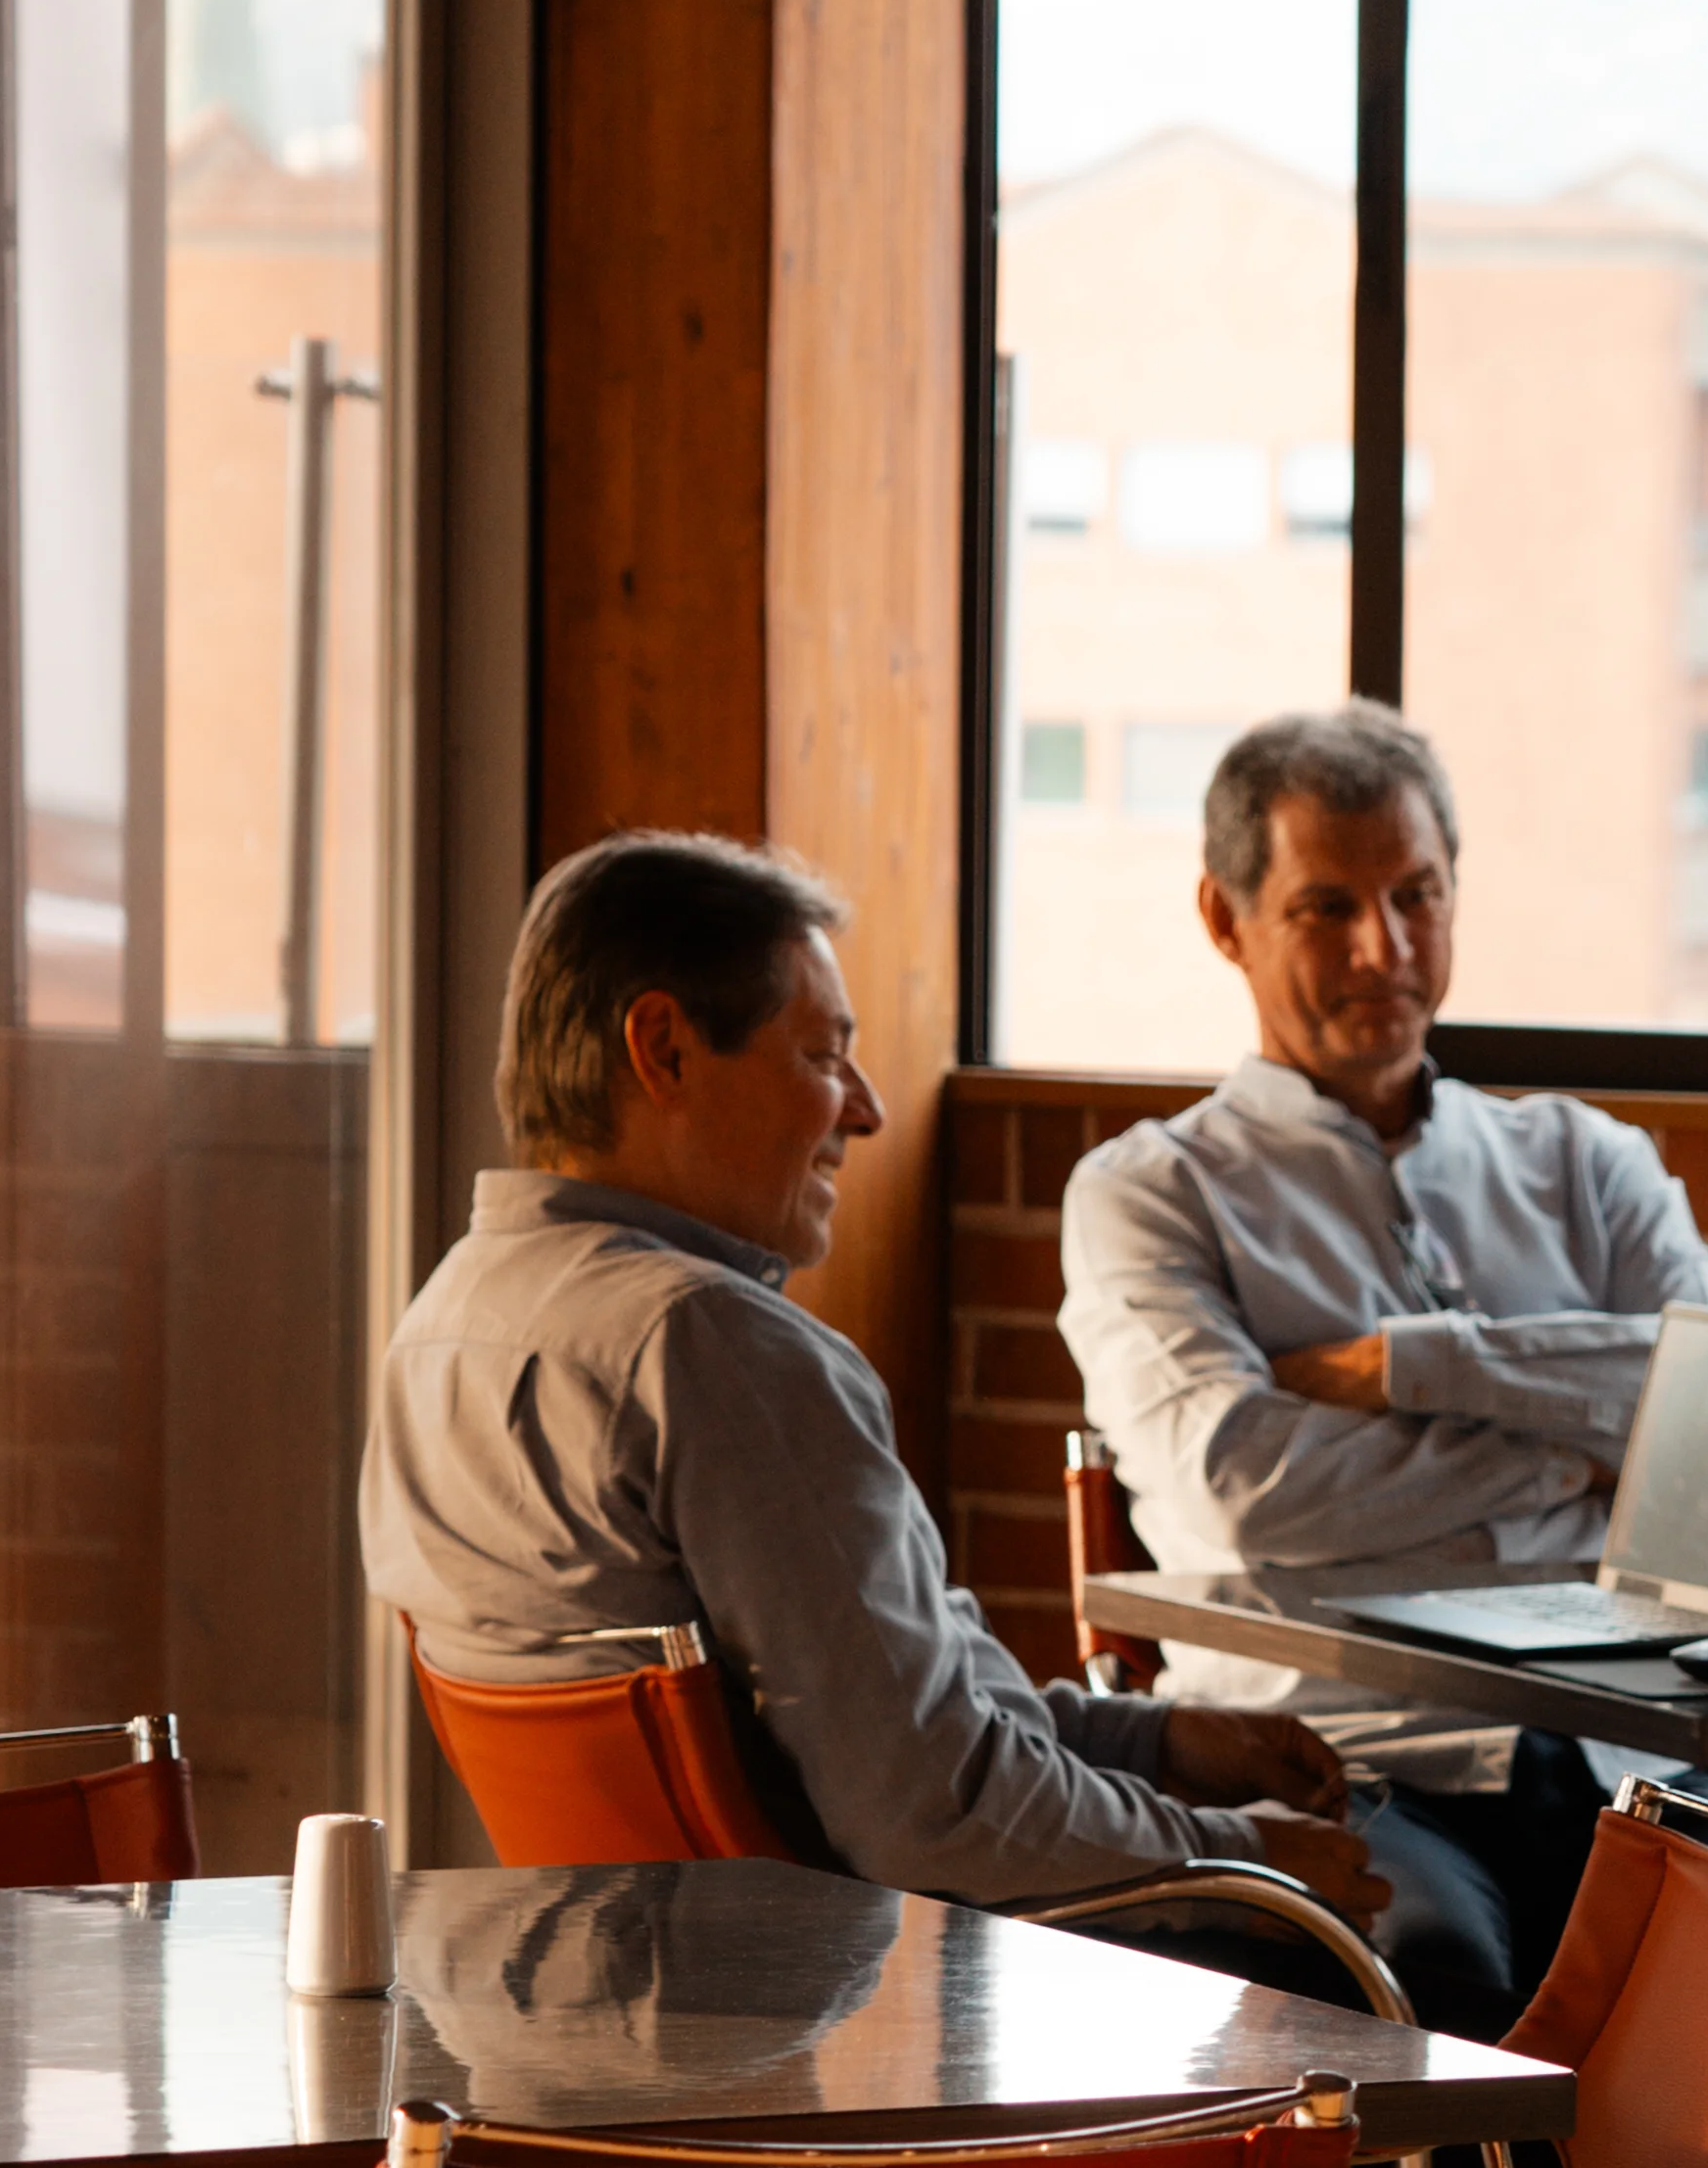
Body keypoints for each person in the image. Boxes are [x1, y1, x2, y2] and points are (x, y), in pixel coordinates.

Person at [1059, 703, 1708, 2041]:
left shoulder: (1585, 1163)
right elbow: (1246, 1488)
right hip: (1346, 1761)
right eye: (1327, 908)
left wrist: (1414, 1371)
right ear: (1223, 920)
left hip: (1629, 1749)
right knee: (1436, 1979)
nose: (1385, 949)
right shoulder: (1151, 1194)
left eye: (1416, 895)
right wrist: (1582, 1456)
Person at [363, 825, 1381, 1937]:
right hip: (837, 2013)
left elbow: (883, 1720)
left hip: (581, 1996)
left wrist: (1152, 1740)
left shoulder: (439, 1329)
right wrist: (1252, 1860)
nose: (867, 1109)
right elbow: (936, 1816)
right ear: (664, 1050)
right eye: (821, 1057)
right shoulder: (714, 1350)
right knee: (1409, 1948)